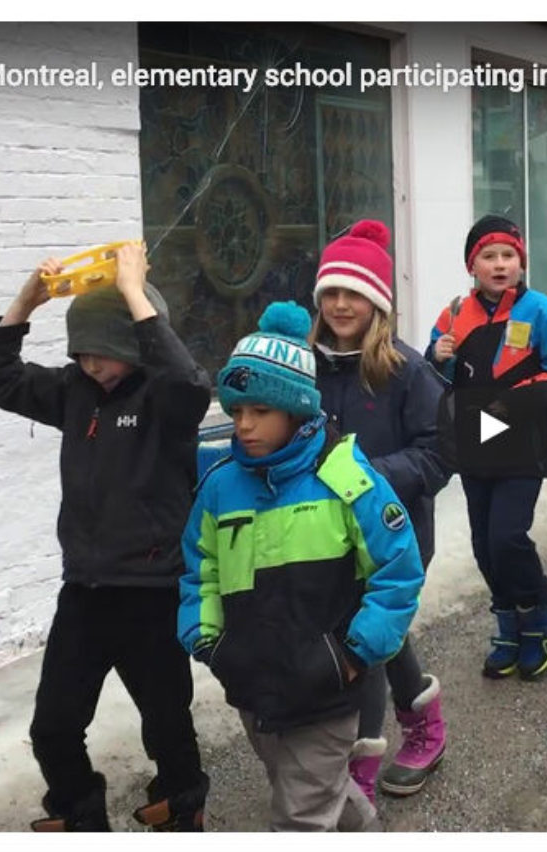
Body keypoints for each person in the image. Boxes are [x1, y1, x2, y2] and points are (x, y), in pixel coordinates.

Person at [0, 244, 211, 832]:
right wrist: (29, 298)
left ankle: (183, 804)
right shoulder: (75, 394)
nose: (89, 366)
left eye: (101, 354)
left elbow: (190, 384)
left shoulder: (164, 401)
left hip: (153, 591)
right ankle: (79, 810)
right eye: (79, 353)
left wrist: (133, 292)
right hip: (85, 591)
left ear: (133, 344)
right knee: (52, 727)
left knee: (165, 720)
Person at [179, 301, 425, 832]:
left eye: (260, 412)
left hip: (328, 690)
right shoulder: (221, 485)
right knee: (315, 794)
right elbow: (200, 569)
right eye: (237, 410)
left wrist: (354, 655)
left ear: (295, 411)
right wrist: (207, 639)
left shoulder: (345, 476)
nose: (243, 425)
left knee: (298, 819)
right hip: (253, 686)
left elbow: (398, 570)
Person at [309, 221, 451, 802]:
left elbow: (440, 455)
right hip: (324, 536)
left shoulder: (406, 370)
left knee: (363, 643)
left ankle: (360, 772)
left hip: (394, 537)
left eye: (354, 294)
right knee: (379, 635)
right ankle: (426, 723)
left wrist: (364, 479)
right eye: (331, 294)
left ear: (378, 302)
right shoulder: (304, 366)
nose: (342, 305)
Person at [426, 215, 547, 680]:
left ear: (521, 262)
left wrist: (513, 404)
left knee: (507, 536)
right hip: (476, 438)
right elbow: (430, 376)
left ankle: (540, 614)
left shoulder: (540, 308)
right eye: (488, 257)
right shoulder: (455, 313)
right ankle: (509, 625)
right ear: (472, 266)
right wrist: (438, 358)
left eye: (508, 256)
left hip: (524, 439)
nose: (499, 265)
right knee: (483, 546)